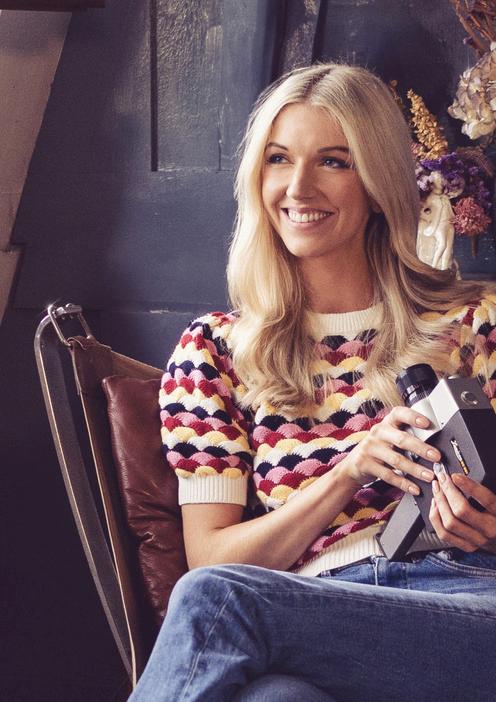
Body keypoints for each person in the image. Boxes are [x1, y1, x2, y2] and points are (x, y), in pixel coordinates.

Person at [129, 63, 496, 702]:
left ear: (378, 183)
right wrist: (348, 474)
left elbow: (216, 595)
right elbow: (211, 559)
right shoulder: (216, 350)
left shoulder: (474, 323)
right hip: (306, 613)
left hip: (463, 606)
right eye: (279, 159)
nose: (298, 187)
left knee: (218, 603)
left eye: (333, 161)